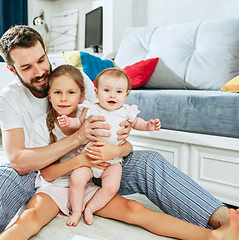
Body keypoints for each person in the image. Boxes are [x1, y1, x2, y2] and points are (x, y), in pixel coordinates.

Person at [0, 25, 239, 240]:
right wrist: (77, 141)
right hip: (37, 170)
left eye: (42, 59)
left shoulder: (75, 77)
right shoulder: (9, 97)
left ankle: (227, 223)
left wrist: (120, 150)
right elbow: (18, 160)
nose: (40, 71)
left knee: (149, 161)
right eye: (27, 67)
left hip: (96, 162)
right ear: (13, 70)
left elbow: (111, 128)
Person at [0, 64, 239, 240]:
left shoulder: (92, 113)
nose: (63, 98)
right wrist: (82, 158)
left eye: (70, 92)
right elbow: (48, 175)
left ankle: (212, 236)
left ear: (83, 96)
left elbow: (121, 141)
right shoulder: (43, 126)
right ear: (49, 96)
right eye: (57, 93)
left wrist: (119, 147)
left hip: (90, 183)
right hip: (53, 188)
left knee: (136, 211)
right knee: (28, 220)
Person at [57, 68, 161, 226]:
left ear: (126, 95)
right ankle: (77, 210)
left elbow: (137, 123)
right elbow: (78, 123)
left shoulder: (127, 112)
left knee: (112, 187)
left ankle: (90, 208)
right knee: (76, 179)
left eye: (118, 91)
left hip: (112, 162)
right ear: (97, 92)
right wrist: (68, 122)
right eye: (107, 90)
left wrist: (148, 125)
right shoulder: (91, 109)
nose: (112, 95)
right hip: (89, 157)